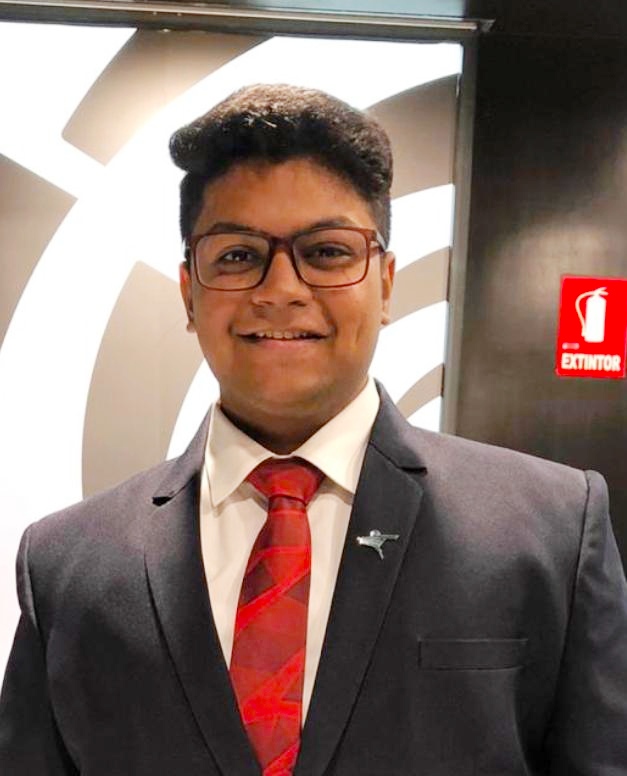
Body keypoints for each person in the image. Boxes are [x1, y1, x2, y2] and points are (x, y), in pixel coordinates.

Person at [1, 83, 627, 776]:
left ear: (385, 283)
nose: (280, 290)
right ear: (188, 292)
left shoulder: (549, 531)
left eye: (327, 252)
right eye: (237, 255)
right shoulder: (65, 566)